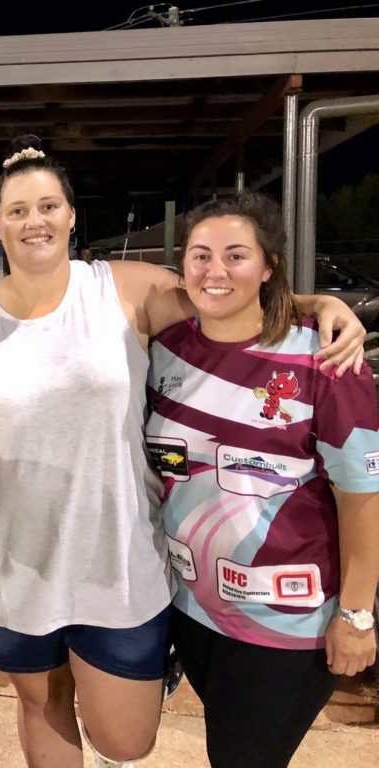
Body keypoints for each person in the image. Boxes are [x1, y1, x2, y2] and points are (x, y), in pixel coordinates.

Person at [0, 137, 366, 768]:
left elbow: (222, 295)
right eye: (18, 210)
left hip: (114, 555)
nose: (36, 221)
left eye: (49, 205)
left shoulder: (122, 289)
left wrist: (319, 304)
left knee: (126, 739)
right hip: (8, 555)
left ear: (71, 216)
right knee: (40, 702)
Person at [145, 192, 379, 768]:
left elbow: (363, 501)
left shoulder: (323, 359)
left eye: (235, 255)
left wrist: (356, 615)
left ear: (269, 265)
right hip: (191, 608)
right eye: (200, 255)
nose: (214, 271)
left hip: (286, 621)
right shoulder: (165, 351)